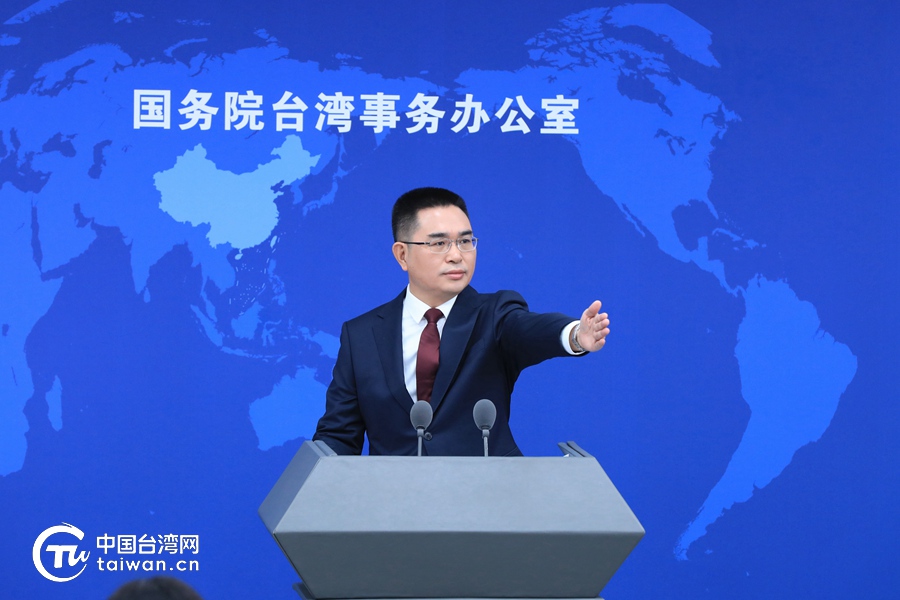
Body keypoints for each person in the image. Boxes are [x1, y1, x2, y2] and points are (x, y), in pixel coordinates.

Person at [313, 187, 609, 456]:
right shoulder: (361, 335)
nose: (456, 255)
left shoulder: (496, 315)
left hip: (487, 492)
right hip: (392, 495)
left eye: (465, 241)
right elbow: (338, 436)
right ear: (402, 255)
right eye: (439, 243)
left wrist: (574, 335)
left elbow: (529, 330)